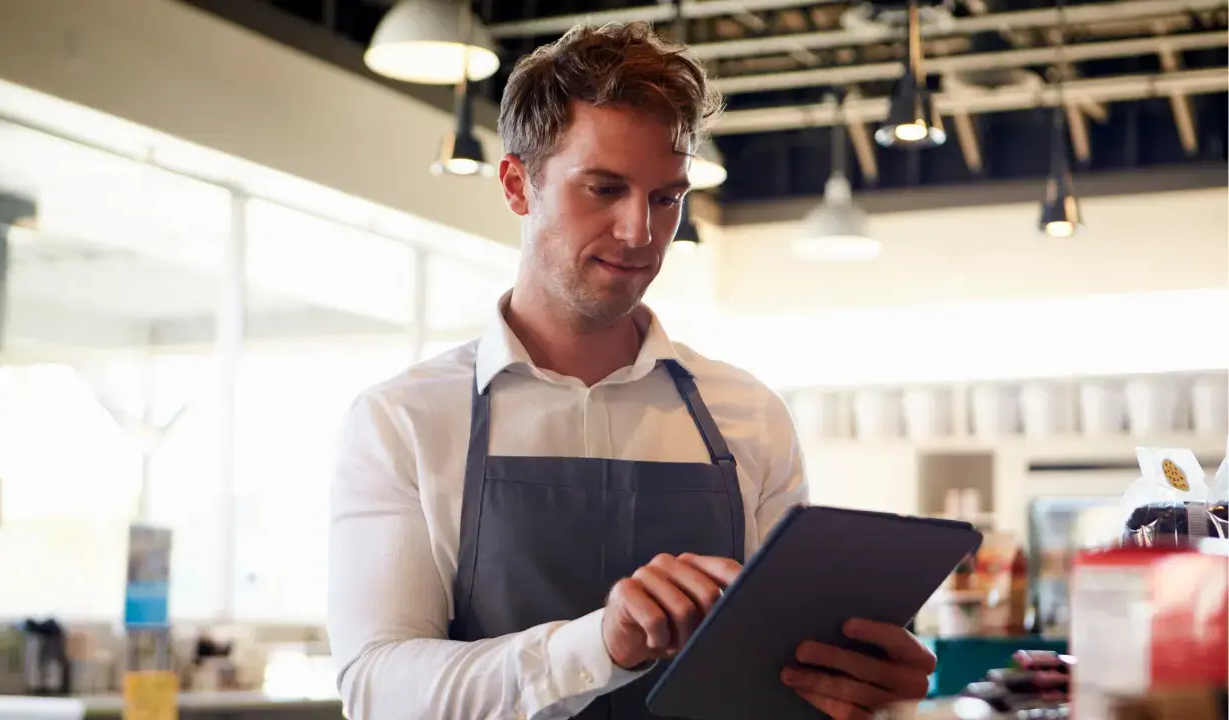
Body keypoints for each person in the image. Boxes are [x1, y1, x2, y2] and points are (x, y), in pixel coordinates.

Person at [327, 20, 935, 720]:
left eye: (666, 197)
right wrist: (600, 645)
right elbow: (377, 687)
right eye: (604, 188)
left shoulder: (750, 415)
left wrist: (864, 688)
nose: (640, 232)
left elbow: (782, 676)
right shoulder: (404, 420)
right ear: (518, 186)